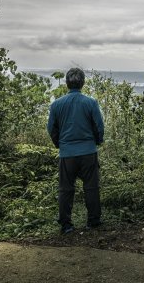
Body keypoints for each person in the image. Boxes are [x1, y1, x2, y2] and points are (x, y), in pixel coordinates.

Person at [47, 67, 104, 234]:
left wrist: (60, 145)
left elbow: (51, 128)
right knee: (91, 187)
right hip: (88, 152)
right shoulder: (90, 103)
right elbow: (99, 127)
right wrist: (97, 142)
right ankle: (93, 221)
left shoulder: (56, 105)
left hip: (67, 154)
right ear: (83, 83)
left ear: (66, 84)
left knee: (66, 189)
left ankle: (66, 225)